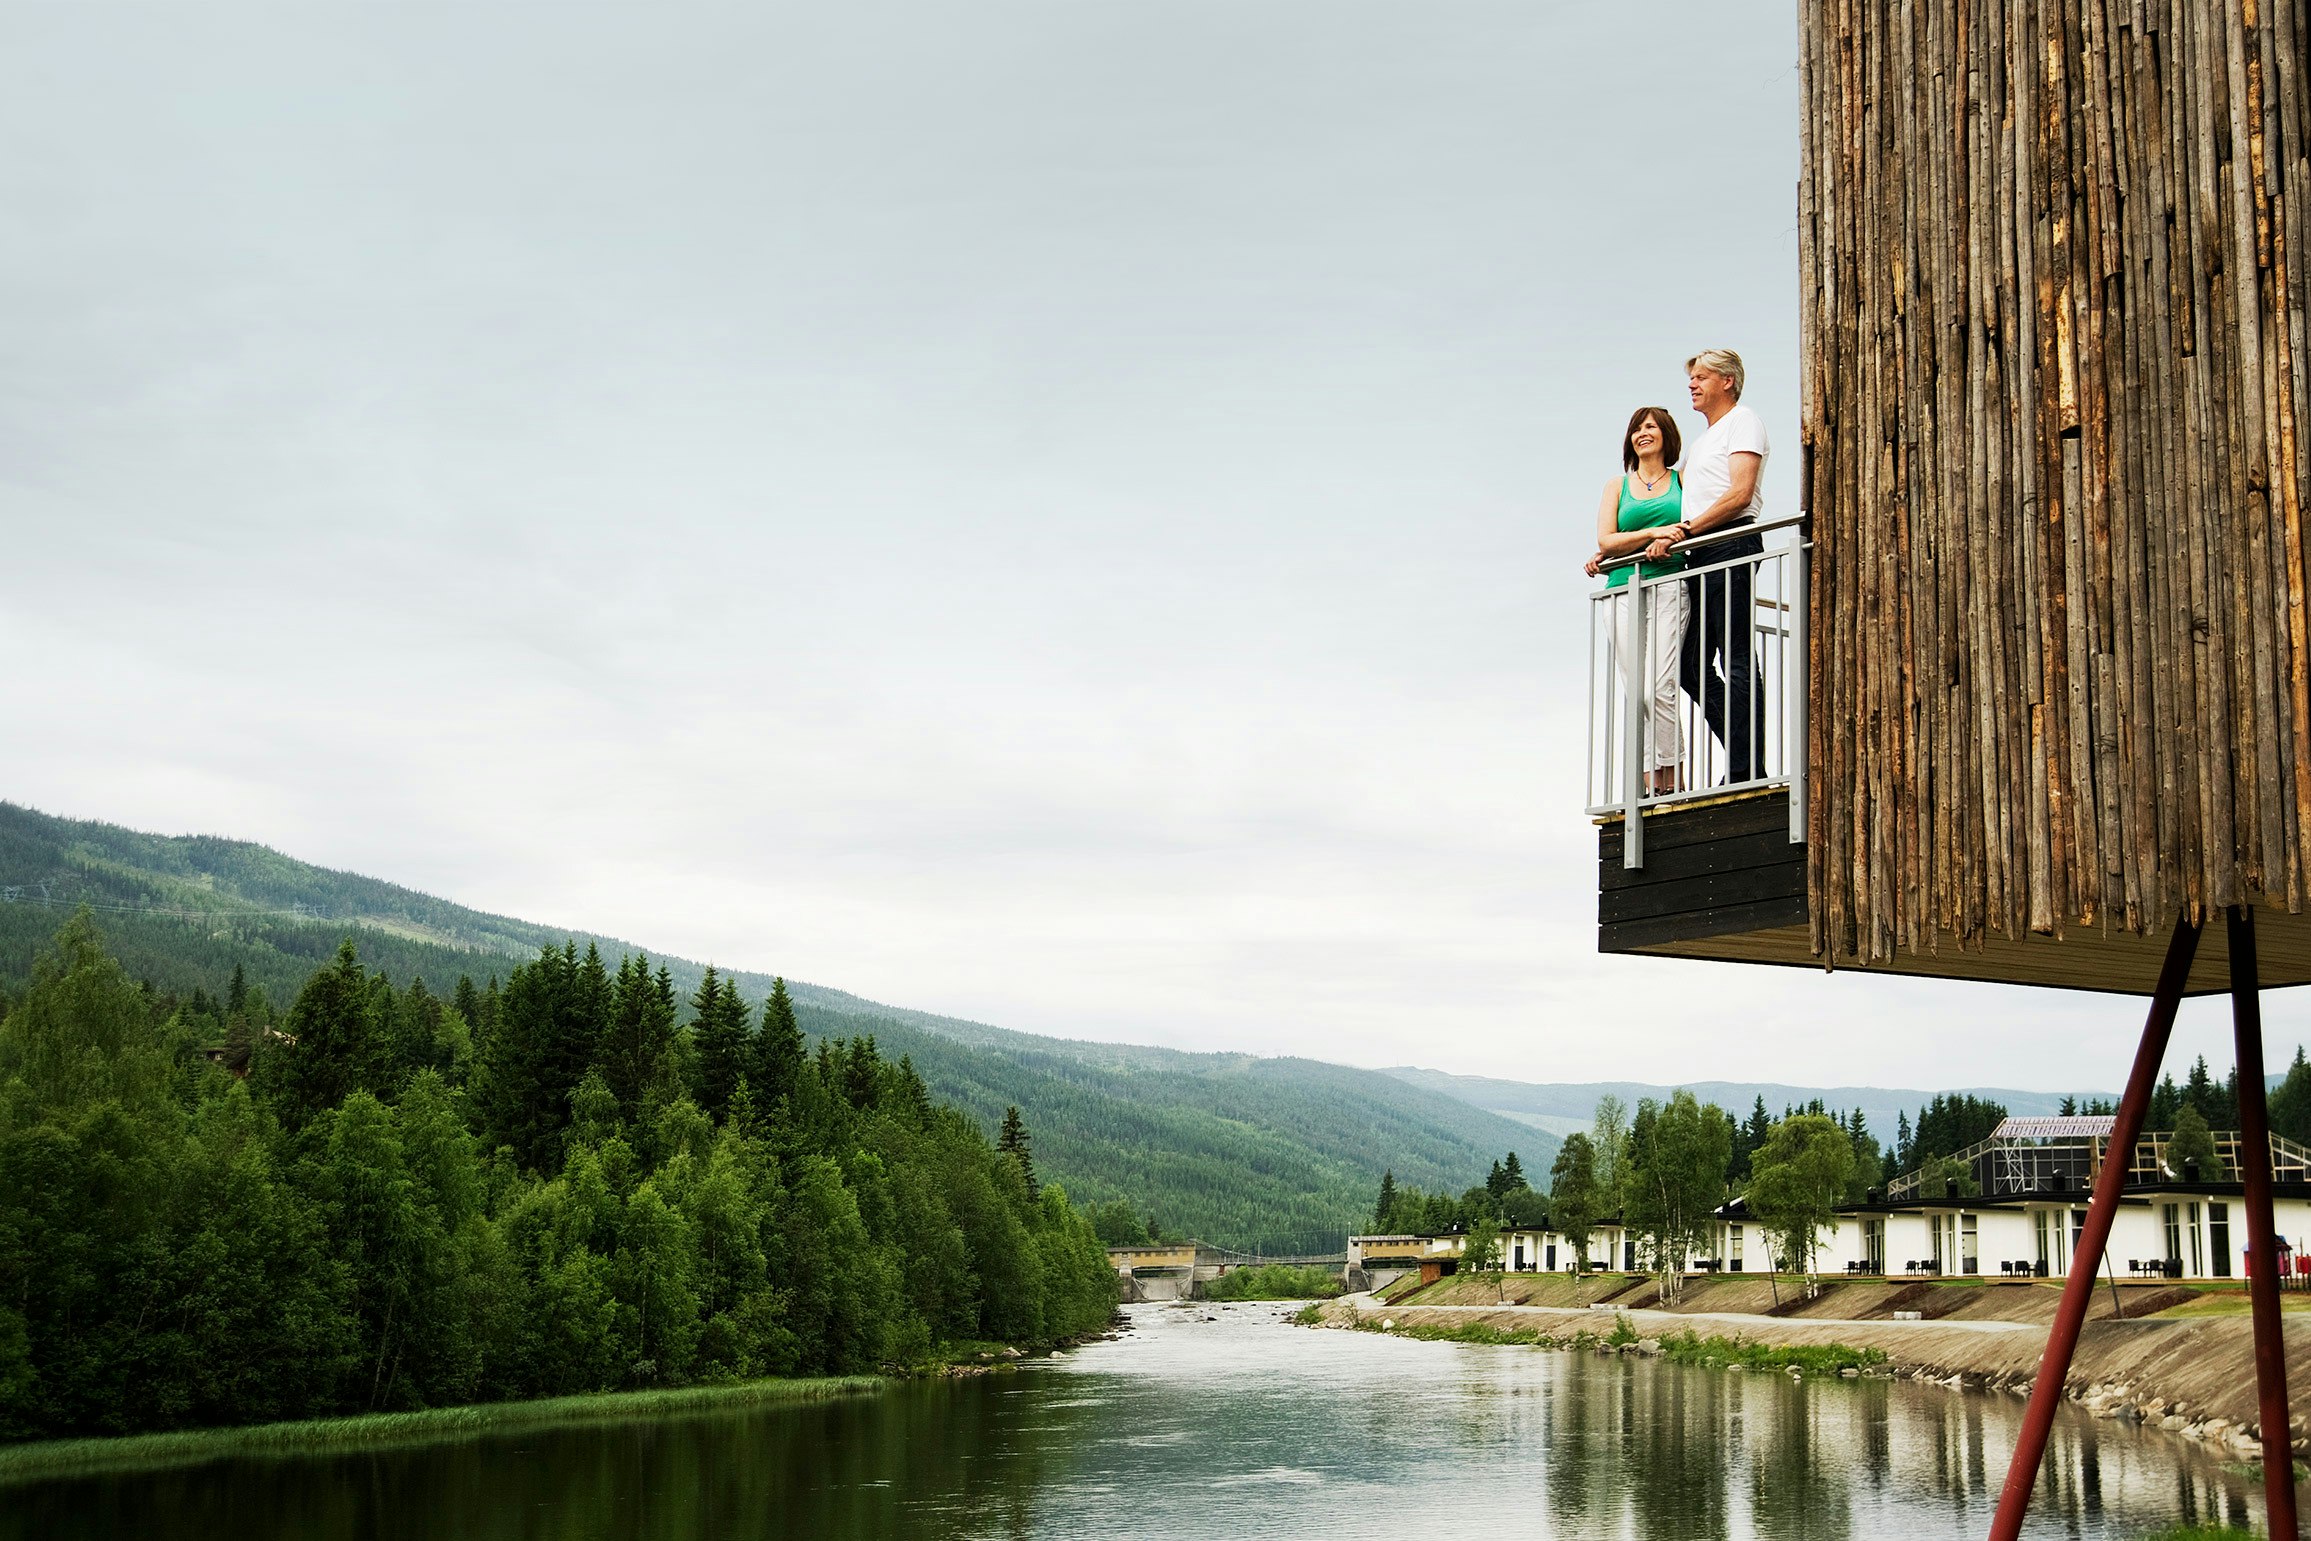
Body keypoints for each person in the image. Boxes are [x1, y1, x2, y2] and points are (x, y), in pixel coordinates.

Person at [1649, 347, 1769, 783]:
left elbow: (1740, 494)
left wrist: (1689, 529)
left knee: (1736, 656)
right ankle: (1744, 755)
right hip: (1698, 553)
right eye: (1691, 378)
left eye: (1700, 377)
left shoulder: (1744, 422)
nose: (1692, 385)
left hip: (1730, 544)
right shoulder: (1701, 443)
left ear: (1727, 381)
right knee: (1690, 664)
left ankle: (1744, 768)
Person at [1587, 406, 1690, 795]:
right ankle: (1652, 782)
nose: (1642, 433)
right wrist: (1656, 532)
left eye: (1651, 427)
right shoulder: (1617, 485)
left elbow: (1688, 526)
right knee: (1637, 690)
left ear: (1666, 435)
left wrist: (1665, 535)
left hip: (1669, 584)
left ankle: (1673, 775)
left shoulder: (1683, 479)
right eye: (1636, 429)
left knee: (1658, 687)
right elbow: (1606, 540)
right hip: (1621, 587)